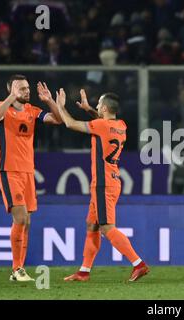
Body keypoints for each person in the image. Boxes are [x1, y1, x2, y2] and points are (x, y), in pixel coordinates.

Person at [55, 89, 149, 282]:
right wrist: (89, 109)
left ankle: (138, 264)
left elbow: (70, 123)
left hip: (103, 184)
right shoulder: (121, 125)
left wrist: (60, 106)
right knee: (92, 225)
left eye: (98, 104)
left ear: (105, 108)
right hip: (112, 180)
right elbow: (103, 121)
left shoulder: (100, 125)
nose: (96, 107)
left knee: (107, 228)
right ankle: (84, 271)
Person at [0, 75, 62, 281]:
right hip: (9, 170)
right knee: (20, 217)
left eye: (27, 88)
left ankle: (19, 269)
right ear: (11, 90)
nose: (26, 91)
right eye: (21, 89)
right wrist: (11, 97)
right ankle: (16, 269)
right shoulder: (4, 109)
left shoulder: (32, 110)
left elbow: (57, 119)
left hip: (28, 171)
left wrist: (49, 101)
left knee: (27, 221)